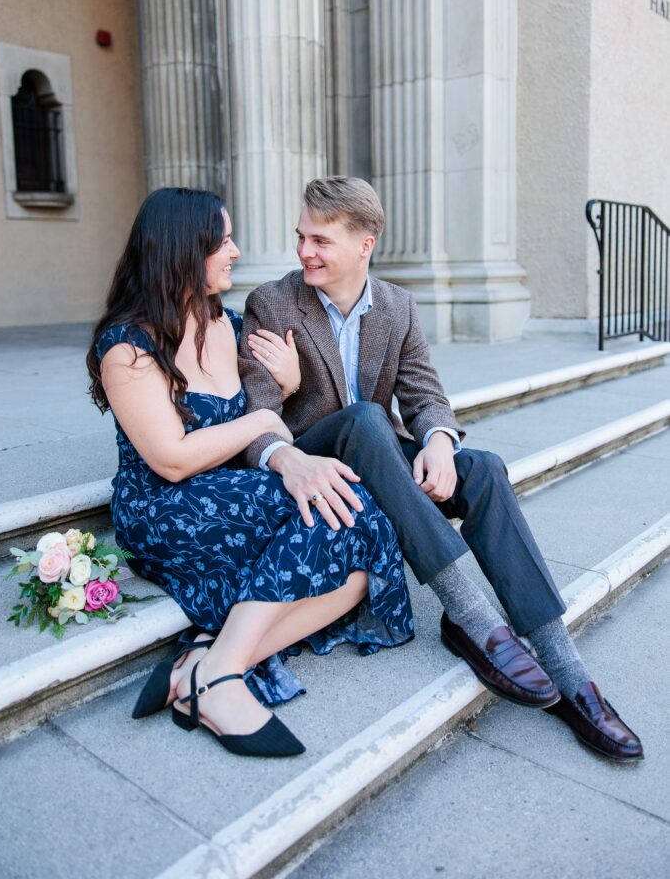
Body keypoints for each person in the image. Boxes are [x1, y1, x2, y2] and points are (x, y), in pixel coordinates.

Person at [239, 176, 643, 764]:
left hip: (381, 457)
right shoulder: (273, 304)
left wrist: (437, 441)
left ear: (365, 243)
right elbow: (258, 417)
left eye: (320, 241)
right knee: (369, 421)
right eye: (302, 237)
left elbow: (426, 397)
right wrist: (287, 453)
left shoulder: (398, 306)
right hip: (315, 463)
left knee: (482, 468)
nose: (304, 251)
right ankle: (472, 616)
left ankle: (570, 674)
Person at [86, 187, 414, 759]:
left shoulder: (231, 325)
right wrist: (266, 412)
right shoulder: (128, 347)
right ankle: (221, 685)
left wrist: (284, 389)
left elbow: (272, 418)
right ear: (185, 250)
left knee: (366, 531)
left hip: (234, 487)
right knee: (330, 514)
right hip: (166, 505)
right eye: (224, 240)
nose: (236, 251)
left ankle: (211, 663)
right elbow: (172, 457)